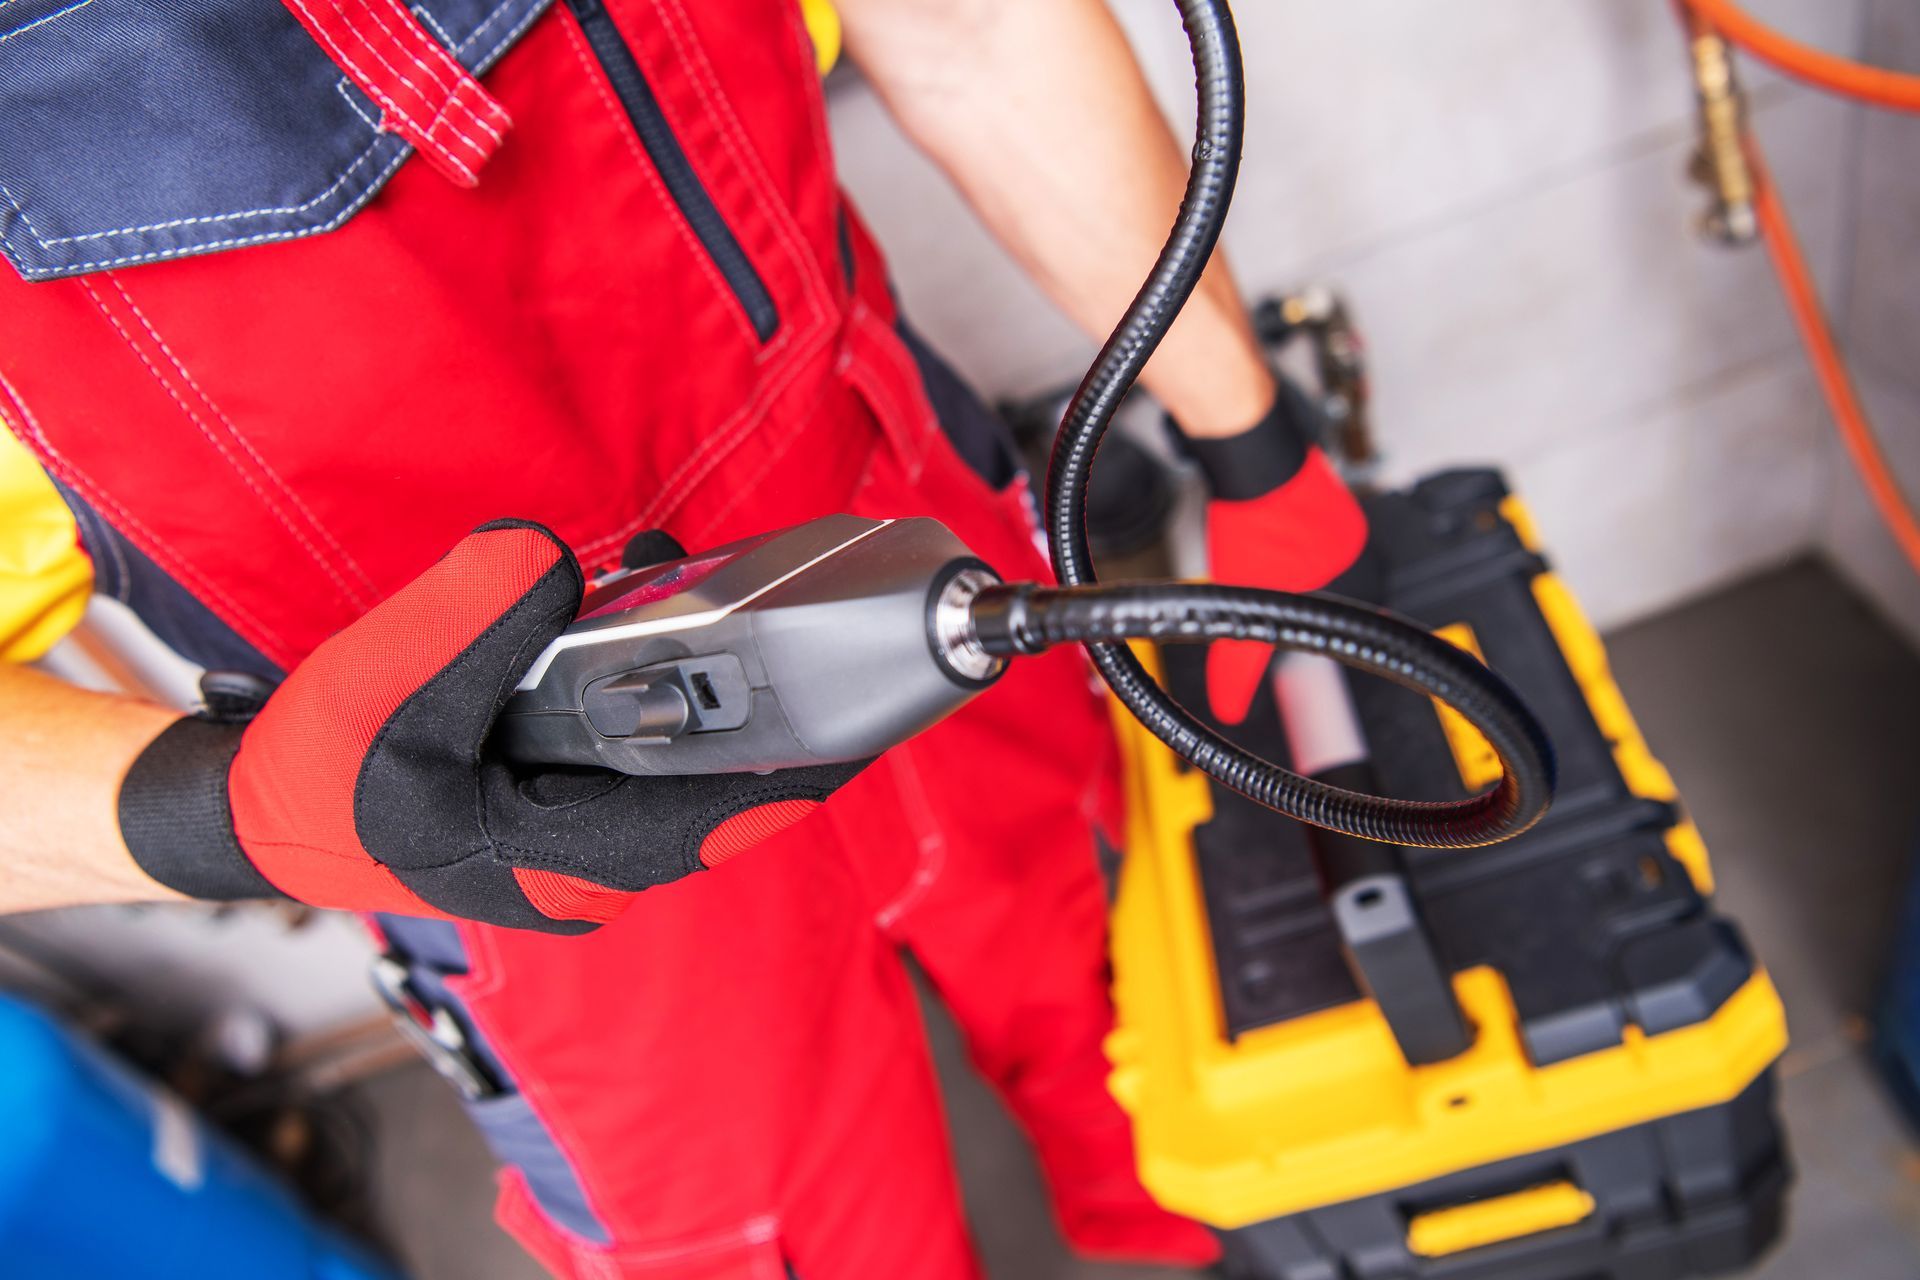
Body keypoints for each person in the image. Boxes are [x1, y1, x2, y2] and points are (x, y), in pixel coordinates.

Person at [0, 0, 1365, 1275]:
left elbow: (973, 26)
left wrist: (1247, 433)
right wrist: (232, 812)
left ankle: (1213, 1239)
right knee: (776, 1238)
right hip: (478, 799)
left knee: (1153, 996)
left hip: (887, 523)